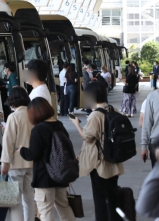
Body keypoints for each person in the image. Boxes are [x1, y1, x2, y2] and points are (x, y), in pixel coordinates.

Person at [70, 82, 124, 221]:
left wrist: (76, 125)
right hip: (113, 158)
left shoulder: (95, 115)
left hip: (99, 162)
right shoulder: (113, 109)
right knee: (112, 195)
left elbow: (87, 137)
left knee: (100, 199)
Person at [20, 98, 76, 221]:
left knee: (46, 211)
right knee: (64, 207)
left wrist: (21, 150)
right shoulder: (59, 125)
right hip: (61, 174)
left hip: (44, 177)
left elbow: (32, 154)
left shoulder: (38, 129)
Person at [1, 87, 35, 221]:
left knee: (15, 200)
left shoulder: (13, 117)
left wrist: (5, 162)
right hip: (32, 162)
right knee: (29, 198)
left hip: (16, 163)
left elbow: (8, 141)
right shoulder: (33, 114)